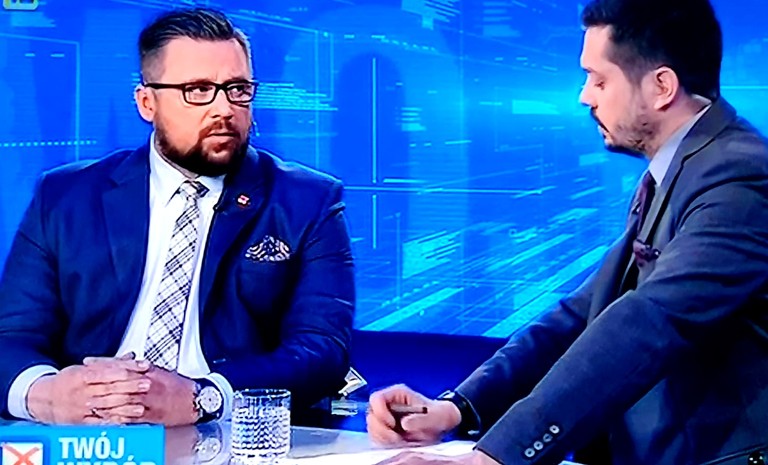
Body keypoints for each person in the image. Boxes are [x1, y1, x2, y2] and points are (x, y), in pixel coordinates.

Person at [367, 0, 768, 463]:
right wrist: (457, 408)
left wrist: (493, 459)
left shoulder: (739, 177)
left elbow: (647, 322)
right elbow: (581, 315)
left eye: (599, 79)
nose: (585, 96)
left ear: (661, 86)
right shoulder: (680, 170)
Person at [0, 7, 355, 426]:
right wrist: (46, 395)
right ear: (147, 103)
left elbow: (321, 350)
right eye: (198, 90)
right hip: (88, 436)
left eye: (238, 89)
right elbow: (12, 336)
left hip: (224, 429)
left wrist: (202, 397)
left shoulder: (308, 201)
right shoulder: (64, 197)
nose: (224, 109)